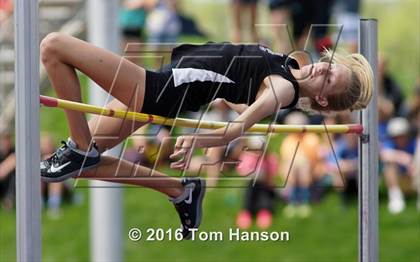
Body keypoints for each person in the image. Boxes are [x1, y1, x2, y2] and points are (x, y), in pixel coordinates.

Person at [39, 32, 373, 238]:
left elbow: (236, 128)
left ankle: (79, 148)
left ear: (324, 98)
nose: (322, 68)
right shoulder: (288, 65)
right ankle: (179, 190)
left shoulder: (283, 88)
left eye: (329, 78)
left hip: (155, 90)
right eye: (329, 64)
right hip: (166, 81)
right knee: (83, 164)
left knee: (54, 46)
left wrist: (200, 140)